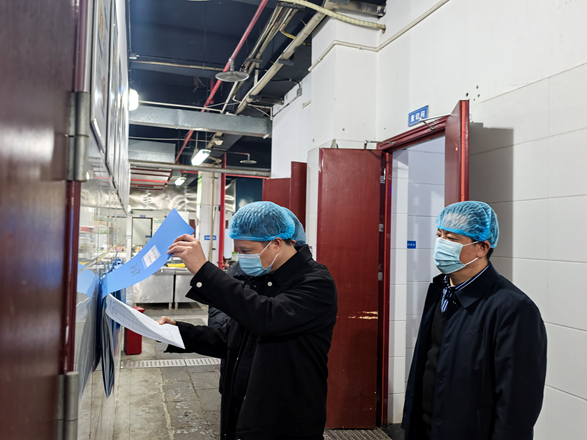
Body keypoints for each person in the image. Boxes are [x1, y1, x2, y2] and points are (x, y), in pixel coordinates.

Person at [158, 201, 337, 440]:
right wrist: (177, 332)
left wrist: (204, 271)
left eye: (246, 250)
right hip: (243, 411)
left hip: (286, 421)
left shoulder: (316, 283)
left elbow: (266, 317)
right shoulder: (263, 279)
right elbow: (230, 339)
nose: (242, 258)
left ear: (276, 243)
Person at [402, 201, 547, 440]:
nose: (441, 243)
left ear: (481, 247)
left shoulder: (513, 308)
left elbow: (517, 404)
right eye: (439, 235)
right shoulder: (441, 289)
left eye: (451, 238)